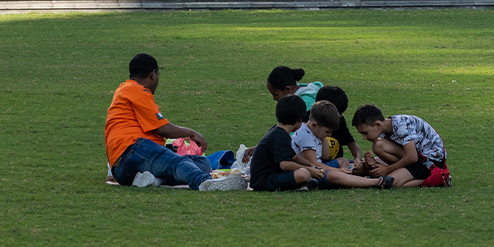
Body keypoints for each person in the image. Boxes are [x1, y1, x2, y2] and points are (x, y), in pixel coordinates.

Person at [105, 53, 247, 191]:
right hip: (132, 151)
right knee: (179, 163)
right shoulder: (137, 90)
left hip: (121, 170)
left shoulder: (124, 90)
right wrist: (192, 133)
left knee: (202, 163)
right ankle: (205, 183)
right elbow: (162, 129)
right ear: (153, 74)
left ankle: (153, 180)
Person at [265, 69, 362, 164]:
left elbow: (351, 143)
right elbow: (282, 136)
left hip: (332, 162)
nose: (339, 117)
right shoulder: (304, 122)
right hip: (317, 166)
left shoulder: (339, 120)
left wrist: (358, 158)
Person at [292, 100, 390, 189]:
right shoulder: (306, 137)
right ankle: (376, 182)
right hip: (312, 172)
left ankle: (351, 180)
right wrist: (338, 171)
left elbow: (326, 155)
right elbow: (314, 164)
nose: (330, 135)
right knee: (335, 175)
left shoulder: (315, 131)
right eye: (327, 132)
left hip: (319, 167)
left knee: (343, 161)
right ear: (314, 125)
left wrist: (323, 136)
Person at [351, 104, 449, 187]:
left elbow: (412, 157)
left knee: (392, 182)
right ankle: (402, 173)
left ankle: (437, 179)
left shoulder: (402, 126)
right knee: (378, 146)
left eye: (365, 133)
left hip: (429, 161)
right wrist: (374, 163)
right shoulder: (387, 128)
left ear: (377, 125)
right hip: (416, 157)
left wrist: (387, 169)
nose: (364, 137)